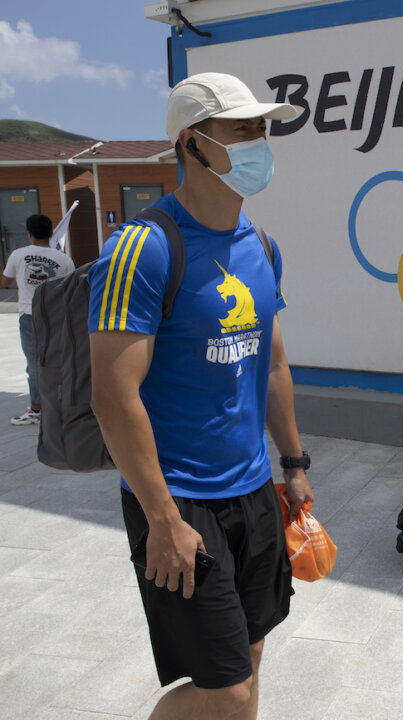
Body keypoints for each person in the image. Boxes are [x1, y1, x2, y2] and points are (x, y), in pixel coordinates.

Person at [87, 72, 312, 719]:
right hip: (180, 499)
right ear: (191, 142)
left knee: (253, 655)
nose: (258, 142)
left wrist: (293, 464)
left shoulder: (260, 246)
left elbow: (272, 363)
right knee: (225, 688)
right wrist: (162, 519)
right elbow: (113, 397)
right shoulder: (142, 248)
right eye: (242, 129)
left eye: (262, 129)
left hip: (253, 490)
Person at [1, 214, 75, 425]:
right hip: (56, 315)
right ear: (51, 233)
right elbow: (71, 289)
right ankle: (64, 405)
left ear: (29, 233)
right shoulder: (64, 259)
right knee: (59, 360)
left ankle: (36, 409)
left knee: (34, 363)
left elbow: (4, 282)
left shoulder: (18, 255)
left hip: (29, 315)